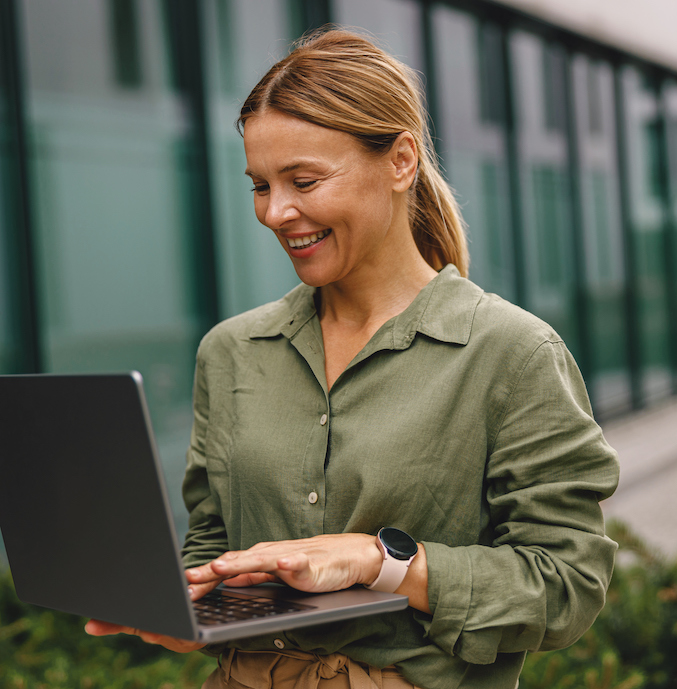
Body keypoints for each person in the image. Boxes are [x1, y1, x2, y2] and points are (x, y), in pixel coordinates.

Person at [87, 28, 619, 689]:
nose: (275, 212)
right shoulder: (231, 352)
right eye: (260, 185)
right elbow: (213, 547)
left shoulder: (511, 353)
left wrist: (381, 561)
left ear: (400, 162)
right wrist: (192, 611)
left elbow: (567, 584)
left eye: (304, 180)